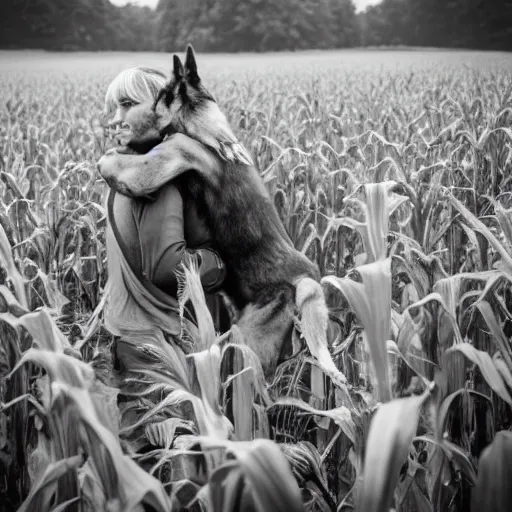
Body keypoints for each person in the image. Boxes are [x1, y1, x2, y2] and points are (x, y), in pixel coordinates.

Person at [100, 67, 229, 434]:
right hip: (160, 352)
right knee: (172, 467)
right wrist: (220, 263)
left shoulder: (125, 172)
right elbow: (169, 269)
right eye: (114, 107)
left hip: (131, 341)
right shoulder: (156, 183)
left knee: (145, 460)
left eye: (127, 105)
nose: (116, 119)